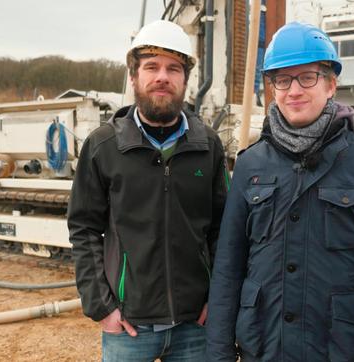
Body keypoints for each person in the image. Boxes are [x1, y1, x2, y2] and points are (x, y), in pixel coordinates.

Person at [206, 22, 354, 361]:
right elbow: (228, 269)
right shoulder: (249, 166)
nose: (293, 90)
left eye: (307, 77)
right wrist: (219, 355)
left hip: (338, 351)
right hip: (265, 350)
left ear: (331, 85)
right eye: (282, 80)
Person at [68, 19, 228, 362]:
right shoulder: (103, 146)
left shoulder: (207, 146)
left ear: (185, 79)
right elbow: (83, 229)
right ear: (133, 76)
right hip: (129, 326)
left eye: (173, 68)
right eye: (151, 67)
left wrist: (216, 297)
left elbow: (223, 230)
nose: (162, 77)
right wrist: (102, 307)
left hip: (194, 326)